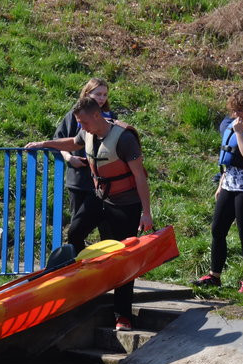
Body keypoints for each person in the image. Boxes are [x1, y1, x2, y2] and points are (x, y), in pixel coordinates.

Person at [25, 96, 153, 331]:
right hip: (100, 197)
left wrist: (146, 213)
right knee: (74, 233)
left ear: (97, 115)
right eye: (79, 123)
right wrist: (45, 143)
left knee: (123, 258)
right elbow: (73, 142)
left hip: (126, 204)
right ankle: (87, 282)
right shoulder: (87, 133)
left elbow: (140, 177)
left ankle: (122, 315)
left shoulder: (124, 139)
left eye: (83, 122)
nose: (81, 127)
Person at [194, 89, 243, 294]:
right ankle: (214, 276)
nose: (236, 116)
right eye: (234, 111)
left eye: (241, 112)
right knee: (217, 229)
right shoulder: (235, 123)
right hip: (230, 183)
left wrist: (239, 133)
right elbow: (229, 161)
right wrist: (221, 183)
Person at [53, 78, 115, 254]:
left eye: (105, 94)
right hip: (79, 180)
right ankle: (77, 264)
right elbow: (60, 142)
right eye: (98, 94)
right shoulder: (74, 116)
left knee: (107, 227)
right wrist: (68, 158)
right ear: (87, 94)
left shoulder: (111, 117)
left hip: (103, 183)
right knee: (77, 227)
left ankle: (107, 266)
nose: (102, 98)